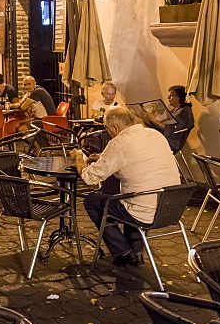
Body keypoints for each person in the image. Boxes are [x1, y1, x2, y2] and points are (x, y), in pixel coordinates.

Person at [73, 107, 180, 266]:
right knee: (134, 194)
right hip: (170, 208)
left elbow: (90, 177)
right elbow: (135, 157)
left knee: (93, 201)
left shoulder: (118, 143)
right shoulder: (155, 135)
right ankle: (136, 252)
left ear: (114, 128)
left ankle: (122, 252)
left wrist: (78, 159)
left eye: (107, 129)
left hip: (144, 212)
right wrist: (103, 158)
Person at [153, 85, 194, 154]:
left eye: (171, 95)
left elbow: (166, 128)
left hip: (172, 143)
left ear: (179, 97)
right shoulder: (176, 110)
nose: (168, 97)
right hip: (166, 139)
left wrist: (152, 119)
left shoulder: (183, 112)